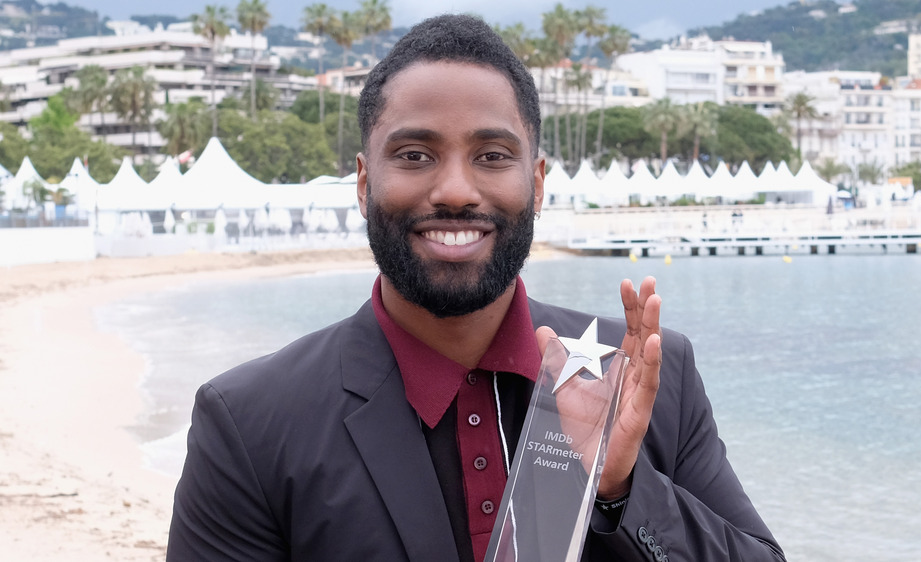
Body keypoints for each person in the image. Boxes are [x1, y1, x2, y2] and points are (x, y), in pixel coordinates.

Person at [167, 14, 783, 562]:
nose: (456, 190)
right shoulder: (250, 422)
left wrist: (623, 487)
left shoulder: (647, 375)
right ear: (362, 183)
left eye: (492, 155)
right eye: (414, 155)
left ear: (537, 183)